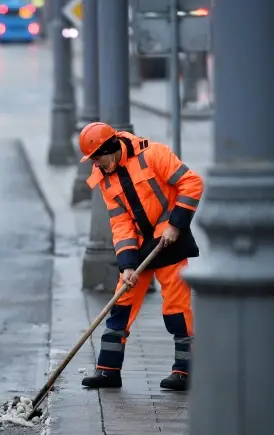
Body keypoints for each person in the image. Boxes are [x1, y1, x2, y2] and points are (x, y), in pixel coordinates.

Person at [78, 122, 203, 391]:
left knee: (176, 306)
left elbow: (192, 182)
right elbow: (120, 222)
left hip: (169, 240)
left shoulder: (153, 154)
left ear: (110, 148)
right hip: (140, 247)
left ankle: (185, 370)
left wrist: (176, 223)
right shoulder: (104, 176)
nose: (96, 165)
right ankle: (108, 371)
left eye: (97, 158)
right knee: (121, 302)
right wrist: (127, 265)